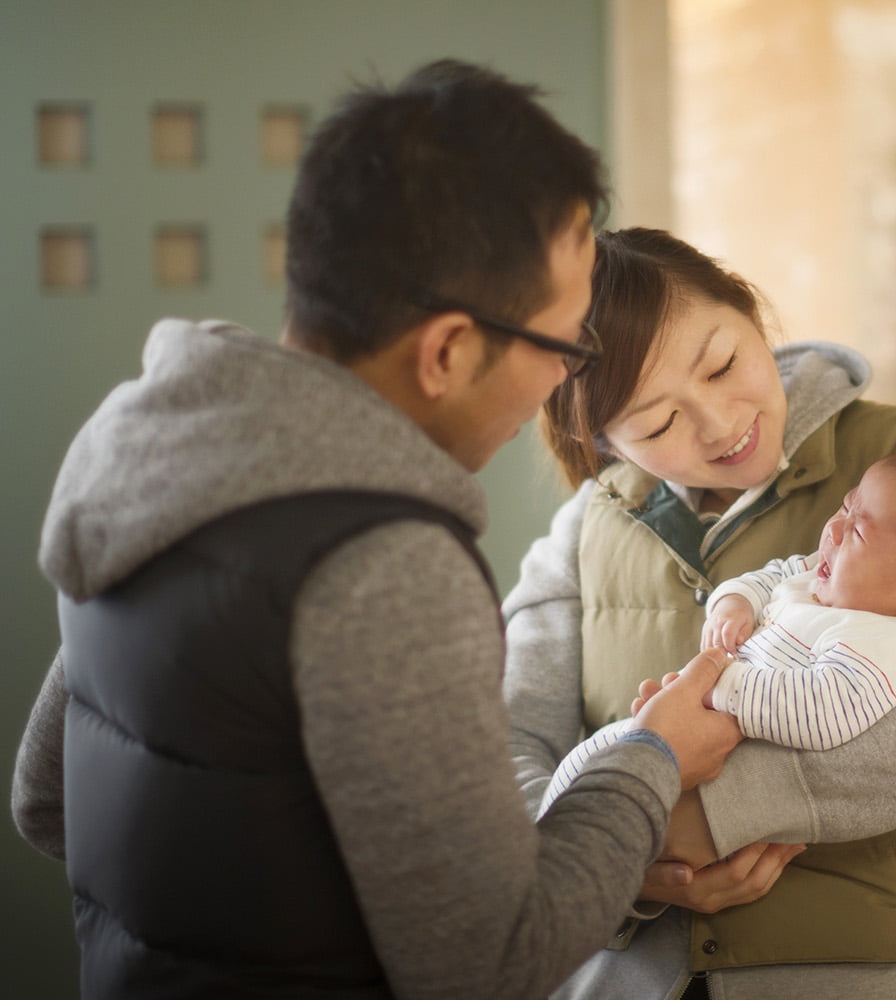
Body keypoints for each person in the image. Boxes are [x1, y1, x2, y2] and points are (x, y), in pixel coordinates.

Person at [9, 62, 745, 1000]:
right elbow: (492, 962)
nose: (564, 381)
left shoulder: (159, 464)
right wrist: (651, 760)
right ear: (447, 351)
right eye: (565, 346)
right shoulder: (383, 566)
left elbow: (48, 803)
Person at [503, 227, 896, 1000]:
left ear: (749, 310)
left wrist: (706, 816)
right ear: (602, 438)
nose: (719, 423)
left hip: (859, 972)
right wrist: (622, 864)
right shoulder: (584, 527)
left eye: (722, 365)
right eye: (657, 424)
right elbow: (507, 747)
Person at [537, 442, 896, 821]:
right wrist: (736, 602)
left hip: (715, 767)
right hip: (685, 729)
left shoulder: (890, 643)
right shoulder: (825, 578)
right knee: (582, 783)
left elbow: (825, 711)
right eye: (845, 507)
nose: (833, 530)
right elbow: (774, 575)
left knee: (594, 797)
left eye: (858, 531)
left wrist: (712, 687)